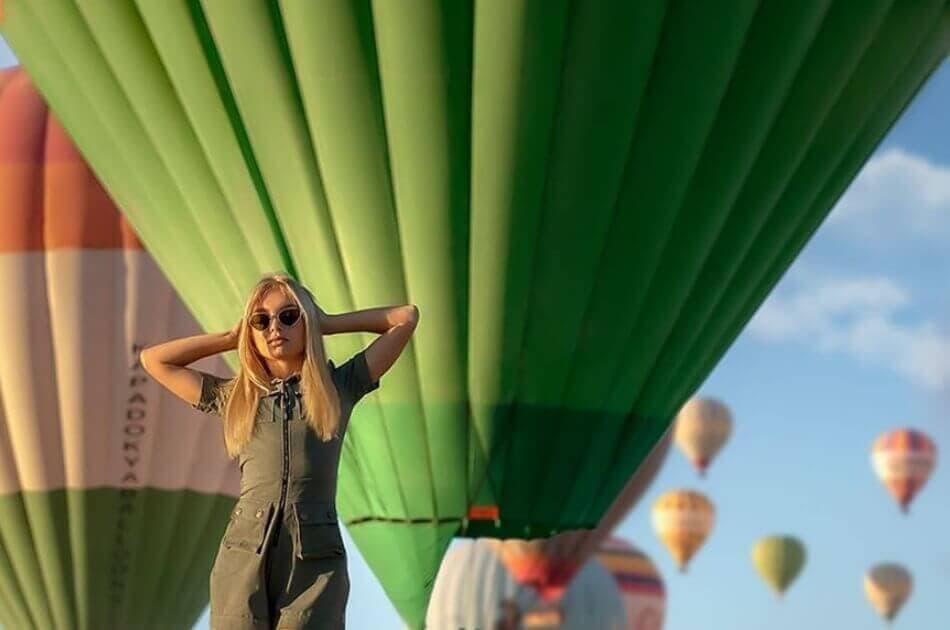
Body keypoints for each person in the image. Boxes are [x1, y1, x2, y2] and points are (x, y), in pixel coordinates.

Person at [140, 272, 418, 629]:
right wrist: (230, 337)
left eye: (289, 316)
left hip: (314, 555)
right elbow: (154, 361)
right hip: (243, 552)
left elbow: (405, 318)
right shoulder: (236, 398)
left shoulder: (340, 386)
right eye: (261, 320)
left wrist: (325, 323)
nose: (275, 328)